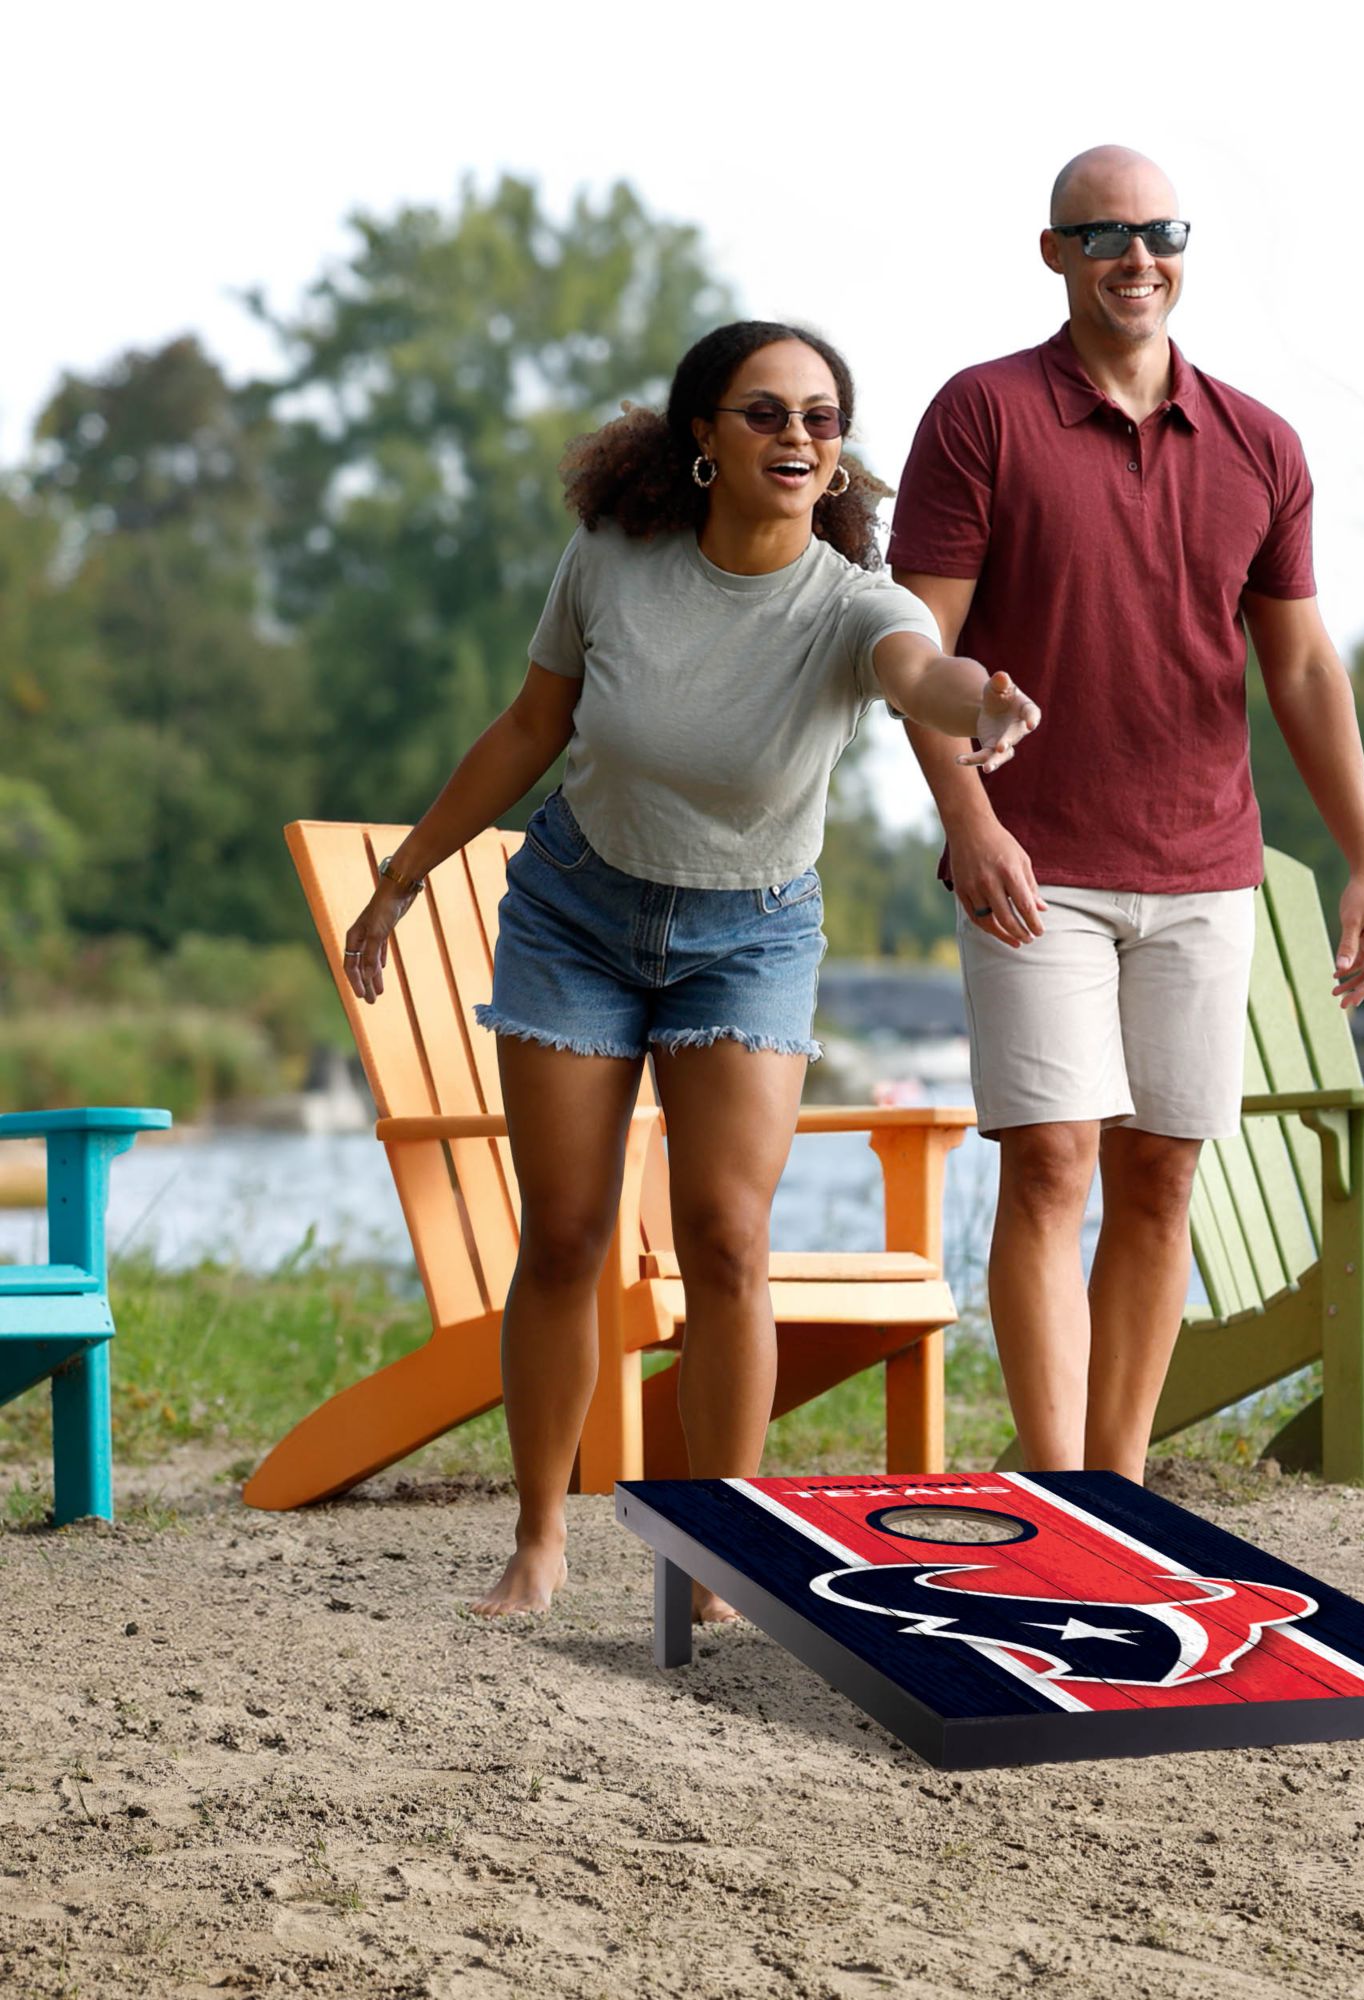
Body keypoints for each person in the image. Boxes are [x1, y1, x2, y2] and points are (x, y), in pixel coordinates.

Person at [341, 320, 1040, 1619]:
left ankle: (723, 1553)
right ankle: (542, 1540)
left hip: (751, 936)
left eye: (821, 420)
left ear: (838, 459)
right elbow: (531, 726)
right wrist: (410, 871)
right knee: (565, 1233)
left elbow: (919, 675)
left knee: (727, 1238)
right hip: (576, 917)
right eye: (766, 413)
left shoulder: (853, 603)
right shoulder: (613, 561)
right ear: (704, 440)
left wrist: (980, 707)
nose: (796, 438)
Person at [887, 146, 1364, 1481]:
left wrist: (1363, 862)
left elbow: (1302, 666)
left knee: (1161, 1176)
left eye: (1158, 231)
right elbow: (909, 652)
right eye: (1102, 233)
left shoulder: (1259, 443)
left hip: (1204, 867)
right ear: (1052, 252)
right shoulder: (980, 416)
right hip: (1033, 866)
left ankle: (1115, 1486)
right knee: (1053, 1162)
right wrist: (968, 821)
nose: (1135, 256)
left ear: (1185, 247)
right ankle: (1057, 1488)